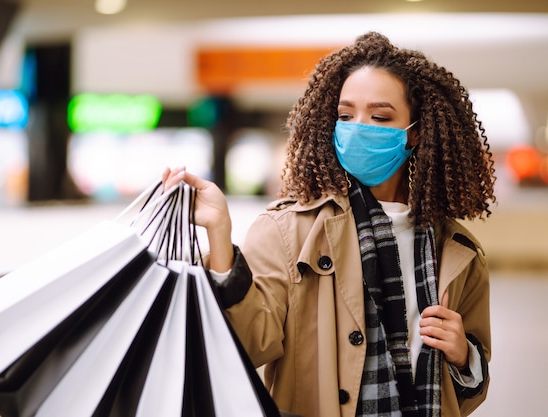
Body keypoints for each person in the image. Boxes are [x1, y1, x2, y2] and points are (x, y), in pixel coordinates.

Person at [163, 31, 495, 417]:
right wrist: (219, 234)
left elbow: (468, 393)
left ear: (415, 133)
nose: (358, 127)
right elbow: (246, 346)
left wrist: (463, 357)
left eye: (380, 116)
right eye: (345, 115)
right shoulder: (288, 232)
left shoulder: (457, 252)